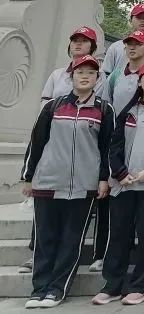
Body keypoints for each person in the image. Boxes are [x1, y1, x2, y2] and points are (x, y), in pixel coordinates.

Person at [22, 54, 113, 309]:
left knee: (71, 240)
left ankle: (56, 289)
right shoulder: (53, 106)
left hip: (83, 186)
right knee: (45, 239)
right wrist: (28, 177)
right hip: (48, 182)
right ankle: (38, 289)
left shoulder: (104, 110)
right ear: (71, 76)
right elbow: (36, 142)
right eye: (80, 72)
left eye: (91, 73)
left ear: (97, 78)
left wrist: (103, 178)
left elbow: (107, 148)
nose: (85, 76)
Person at [93, 59, 144, 306]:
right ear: (139, 81)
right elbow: (114, 145)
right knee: (118, 234)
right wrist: (119, 173)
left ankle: (140, 285)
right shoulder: (127, 111)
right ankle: (112, 285)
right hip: (124, 184)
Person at [101, 4, 144, 77]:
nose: (142, 20)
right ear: (131, 19)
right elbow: (105, 74)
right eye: (138, 17)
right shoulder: (115, 47)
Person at [40, 27, 107, 102]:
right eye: (75, 41)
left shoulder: (99, 75)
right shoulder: (56, 74)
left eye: (84, 41)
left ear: (92, 47)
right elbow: (45, 102)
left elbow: (97, 104)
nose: (78, 43)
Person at [104, 30, 144, 117]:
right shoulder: (115, 75)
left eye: (138, 44)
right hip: (115, 128)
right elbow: (105, 106)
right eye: (129, 44)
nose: (132, 47)